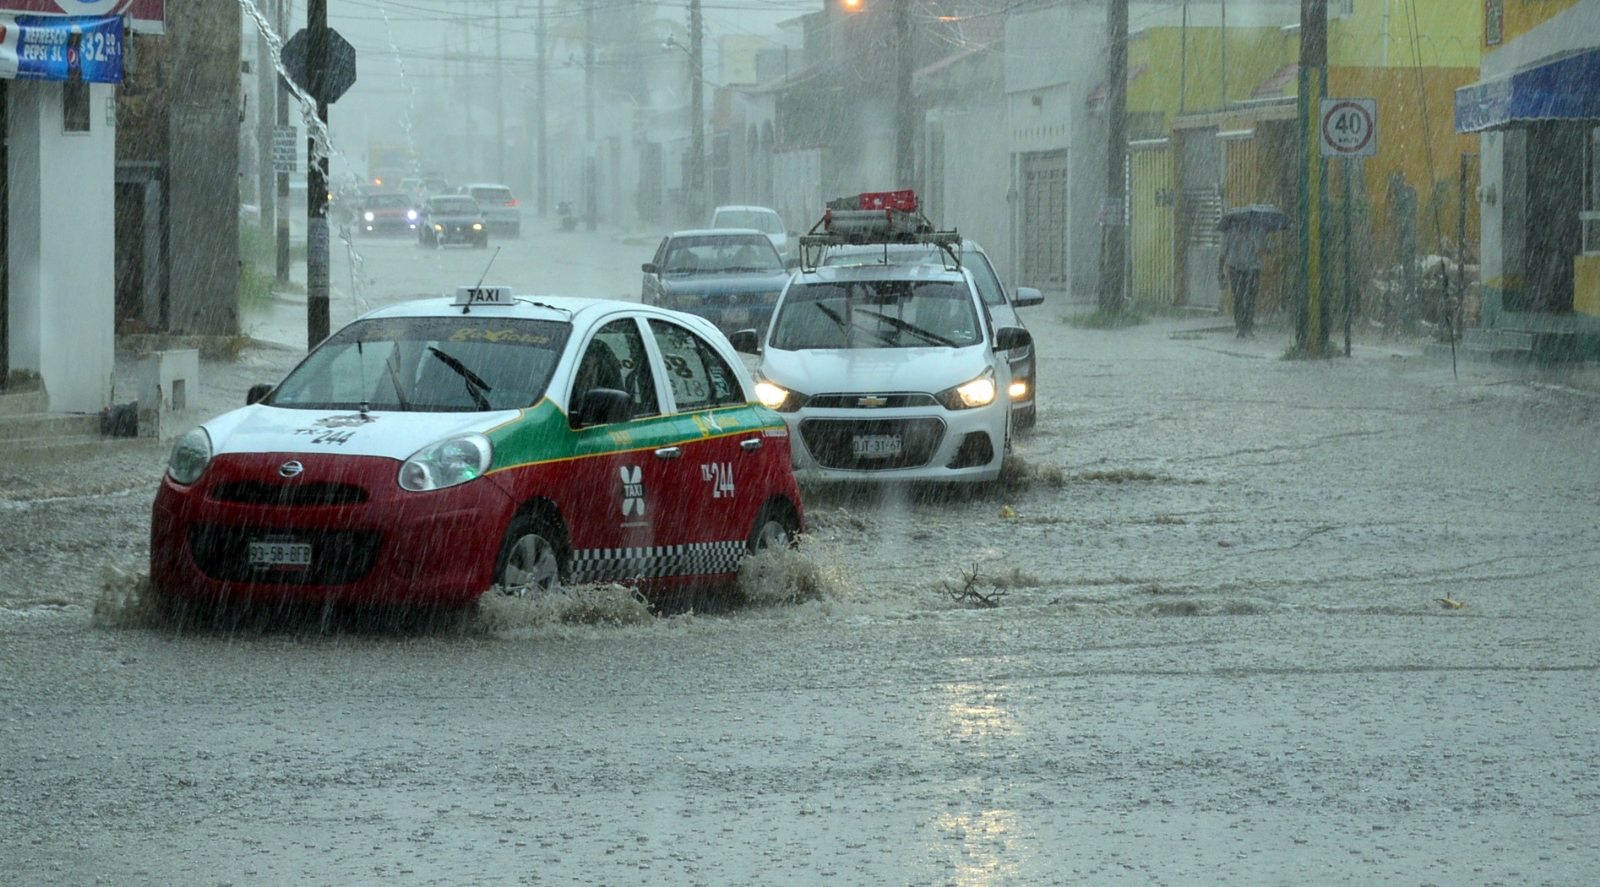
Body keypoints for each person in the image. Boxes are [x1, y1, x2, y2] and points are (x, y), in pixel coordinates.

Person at [1218, 216, 1273, 338]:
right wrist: (1220, 271)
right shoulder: (1230, 233)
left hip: (1253, 269)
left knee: (1251, 298)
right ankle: (1240, 326)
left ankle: (1248, 326)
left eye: (1248, 221)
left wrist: (1262, 248)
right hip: (1235, 269)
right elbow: (1222, 253)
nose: (1245, 224)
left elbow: (1269, 248)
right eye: (1243, 221)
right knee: (1238, 297)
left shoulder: (1258, 231)